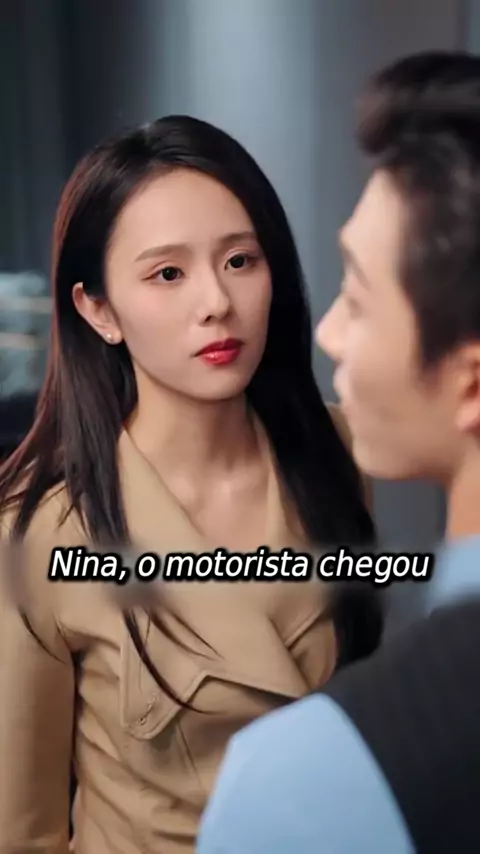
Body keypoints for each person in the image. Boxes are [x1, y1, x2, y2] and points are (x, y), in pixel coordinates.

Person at [0, 115, 379, 854]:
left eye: (240, 260)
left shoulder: (339, 449)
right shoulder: (37, 530)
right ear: (98, 310)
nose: (216, 302)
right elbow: (23, 832)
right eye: (167, 274)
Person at [196, 50, 480, 853]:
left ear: (469, 383)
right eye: (167, 273)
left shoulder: (307, 781)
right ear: (97, 308)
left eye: (357, 296)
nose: (329, 332)